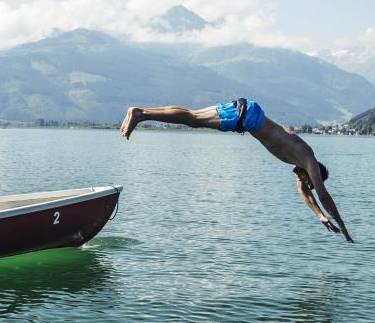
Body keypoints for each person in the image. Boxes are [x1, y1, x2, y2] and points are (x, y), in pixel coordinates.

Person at [119, 98, 354, 242]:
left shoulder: (298, 163)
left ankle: (141, 113)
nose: (302, 181)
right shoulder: (308, 158)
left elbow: (306, 194)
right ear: (315, 174)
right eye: (310, 180)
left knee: (193, 117)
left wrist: (320, 216)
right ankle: (140, 113)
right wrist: (343, 226)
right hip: (247, 117)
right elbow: (321, 194)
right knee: (193, 118)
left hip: (247, 113)